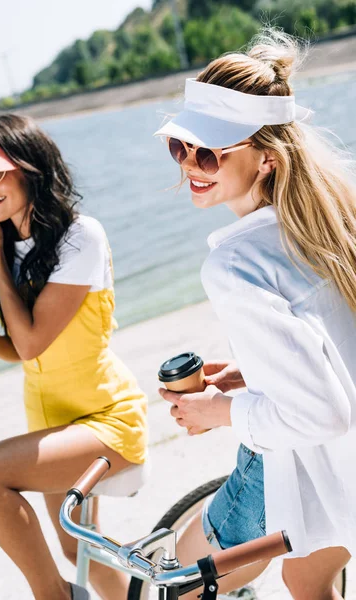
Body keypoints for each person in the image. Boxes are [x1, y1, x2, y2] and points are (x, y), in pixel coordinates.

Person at [155, 29, 356, 600]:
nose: (190, 164)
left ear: (265, 159)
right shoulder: (326, 223)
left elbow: (322, 413)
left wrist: (217, 411)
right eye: (180, 146)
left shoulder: (236, 266)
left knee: (179, 583)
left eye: (209, 152)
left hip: (320, 460)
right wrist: (253, 374)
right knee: (305, 576)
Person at [0, 113, 148, 600]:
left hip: (106, 419)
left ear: (30, 169)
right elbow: (19, 349)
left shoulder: (81, 237)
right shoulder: (16, 245)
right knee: (81, 552)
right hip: (52, 425)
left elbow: (32, 342)